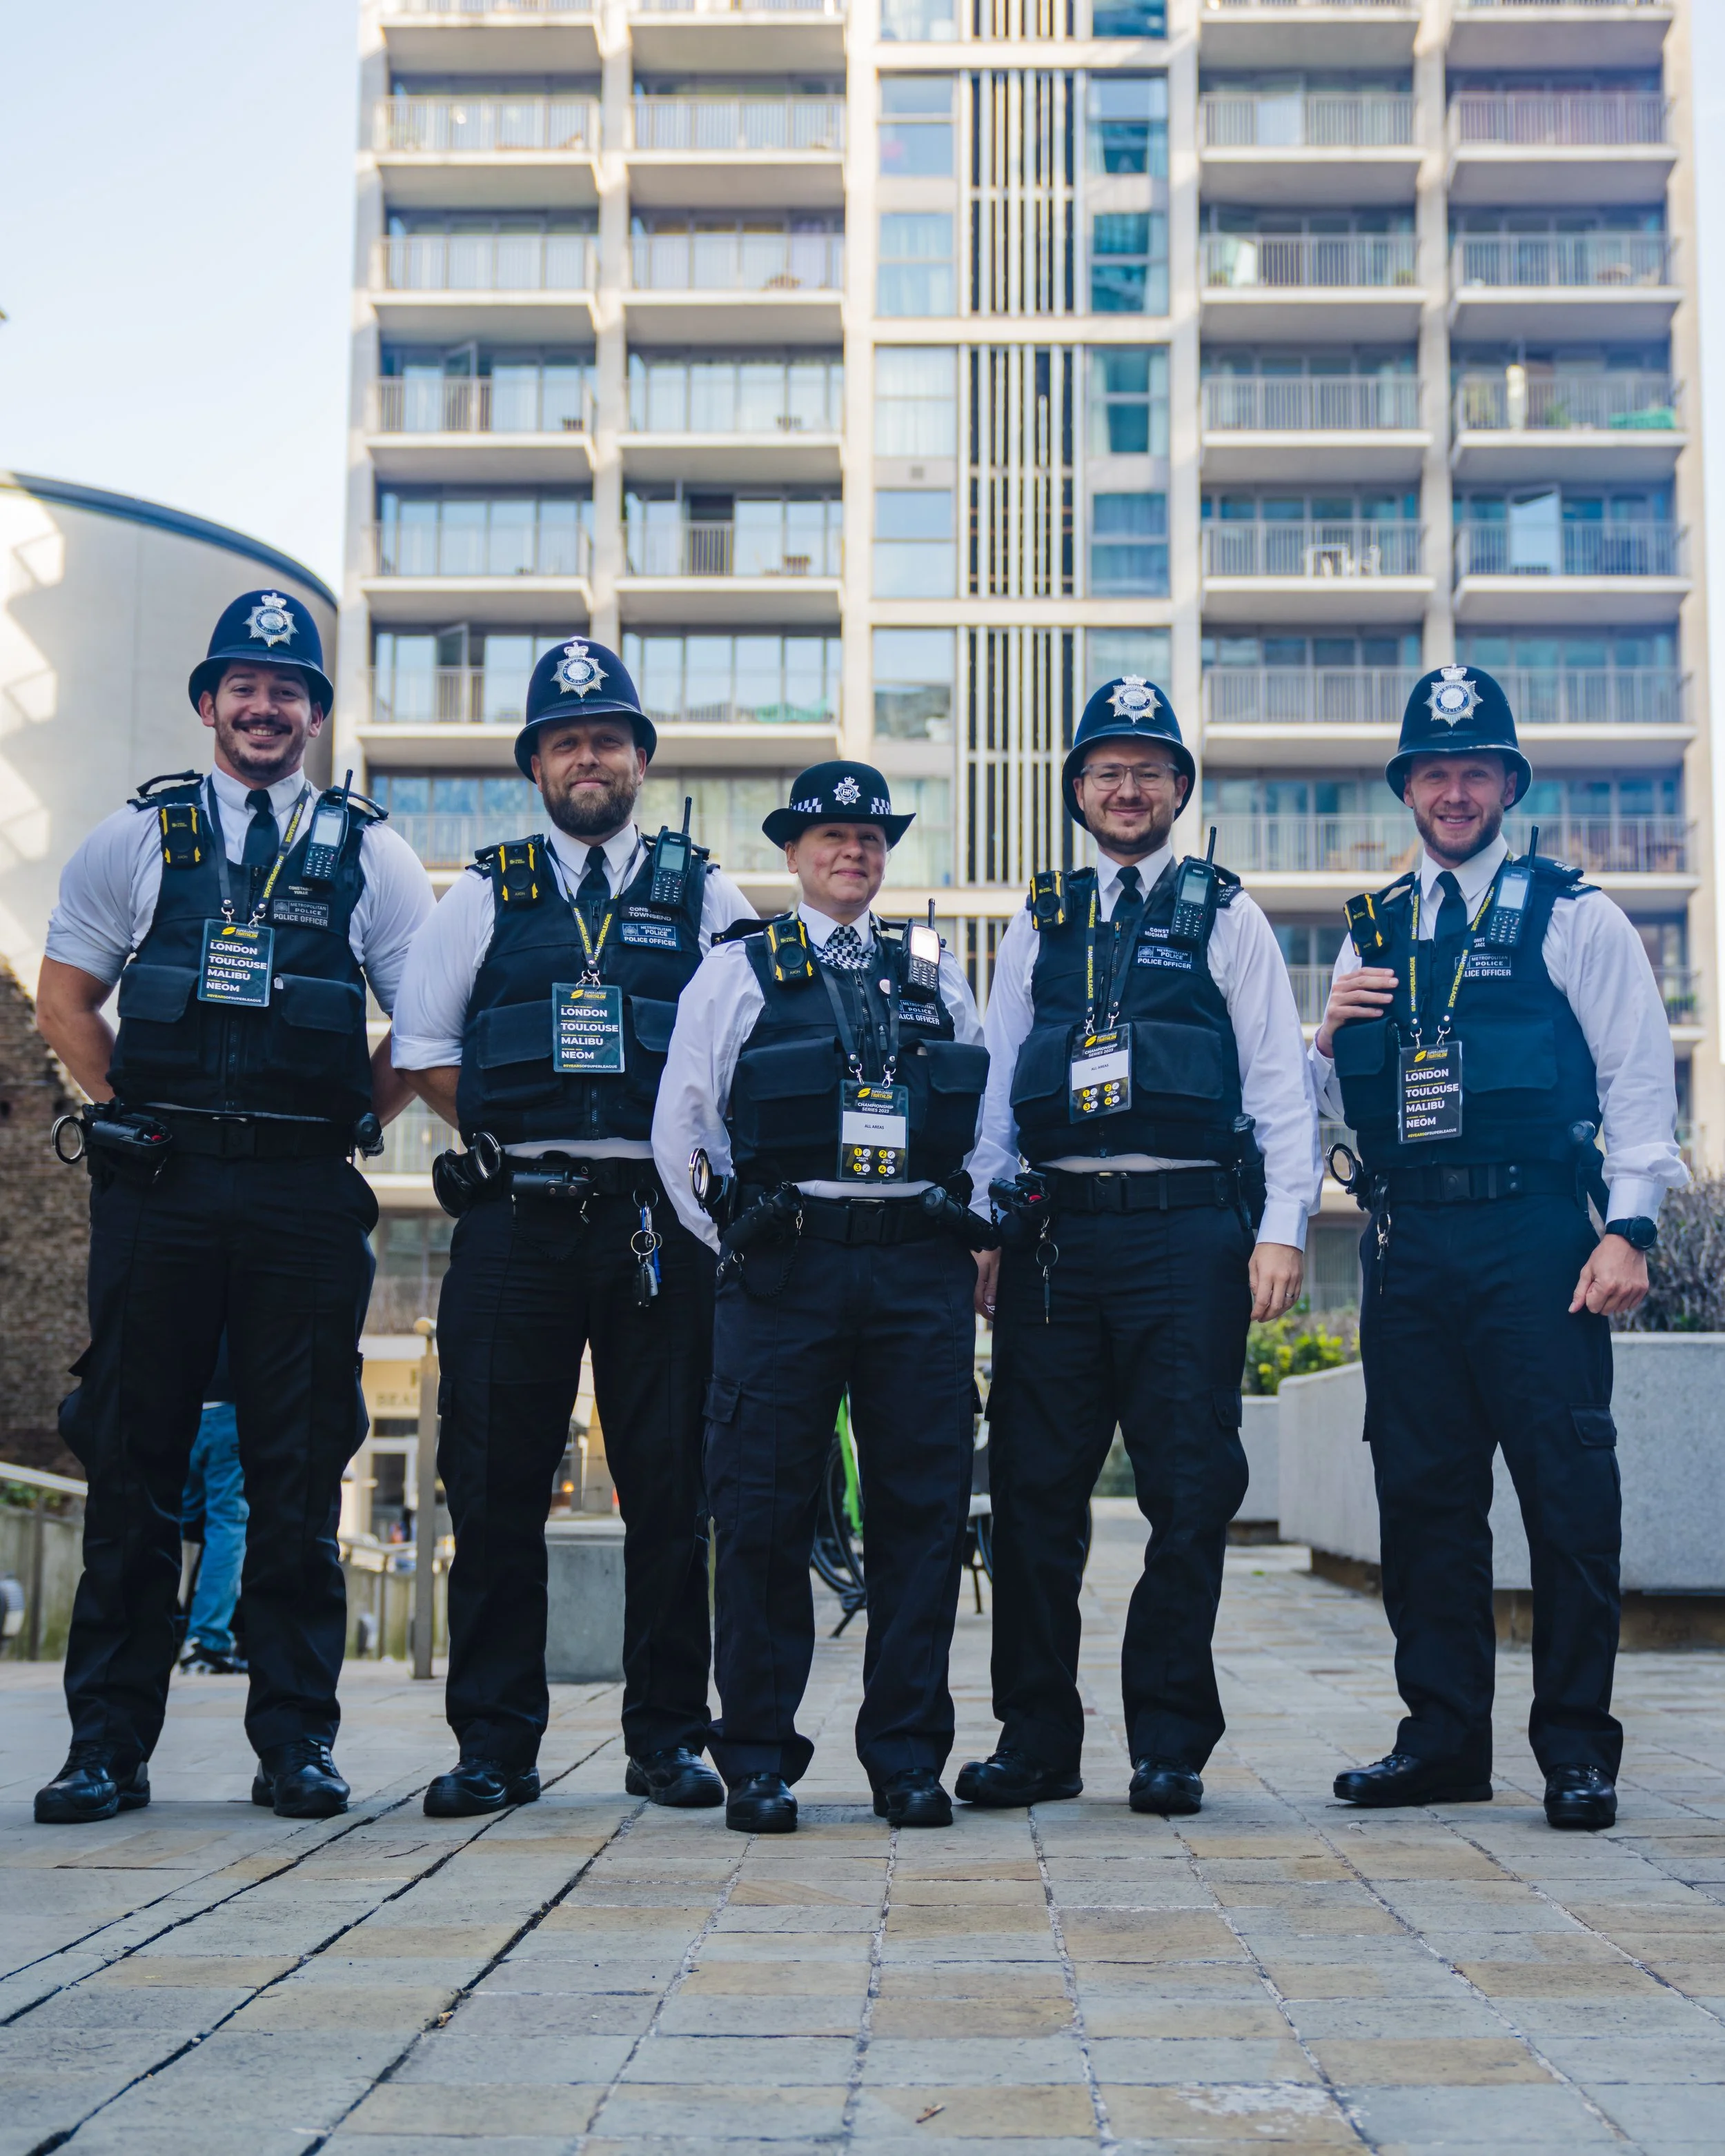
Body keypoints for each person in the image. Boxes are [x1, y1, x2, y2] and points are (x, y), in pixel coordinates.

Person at [33, 589, 433, 1825]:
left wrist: (342, 1119)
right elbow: (65, 1000)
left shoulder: (372, 853)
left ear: (315, 714)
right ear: (209, 704)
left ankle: (297, 1745)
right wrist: (127, 1111)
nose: (266, 708)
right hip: (160, 1188)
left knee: (297, 1470)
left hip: (304, 1198)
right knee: (133, 1459)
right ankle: (105, 1746)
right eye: (245, 687)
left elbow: (420, 1030)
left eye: (289, 690)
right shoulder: (133, 839)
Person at [1313, 664, 1686, 1832]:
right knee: (1420, 1498)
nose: (1456, 792)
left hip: (1539, 1239)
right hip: (1409, 1240)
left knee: (1568, 1494)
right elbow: (1325, 1112)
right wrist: (1325, 1039)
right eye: (1437, 772)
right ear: (1408, 788)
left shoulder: (1578, 916)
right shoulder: (1371, 929)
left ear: (1509, 783)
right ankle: (1443, 1740)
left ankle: (1577, 1749)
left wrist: (1628, 1229)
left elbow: (1639, 1083)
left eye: (1477, 772)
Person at [392, 637, 755, 1818]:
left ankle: (668, 1739)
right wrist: (507, 1130)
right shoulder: (486, 890)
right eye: (565, 740)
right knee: (493, 1488)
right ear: (535, 764)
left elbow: (761, 1042)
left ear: (641, 758)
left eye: (607, 738)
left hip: (663, 1232)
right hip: (518, 1223)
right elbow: (423, 1046)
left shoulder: (705, 892)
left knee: (669, 1488)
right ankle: (495, 1742)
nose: (587, 757)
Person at [963, 676, 1320, 1819]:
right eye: (1108, 771)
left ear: (1180, 790)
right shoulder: (1041, 918)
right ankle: (1036, 1740)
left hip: (1188, 1238)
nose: (1129, 789)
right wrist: (985, 1224)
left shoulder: (1229, 913)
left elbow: (1278, 1084)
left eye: (1150, 771)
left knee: (1188, 1490)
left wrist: (1281, 1232)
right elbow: (994, 1091)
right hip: (1056, 1240)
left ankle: (1170, 1742)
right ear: (1078, 791)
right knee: (1032, 1496)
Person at [653, 762, 991, 1833]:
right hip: (785, 1264)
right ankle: (755, 1755)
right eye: (831, 837)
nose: (854, 851)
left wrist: (963, 1222)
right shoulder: (740, 970)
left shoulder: (934, 972)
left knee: (922, 1514)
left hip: (914, 1266)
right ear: (793, 856)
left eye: (871, 837)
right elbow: (685, 1125)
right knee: (757, 1513)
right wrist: (739, 1242)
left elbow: (982, 1131)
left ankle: (906, 1759)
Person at [179, 1334, 248, 1677]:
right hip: (230, 1411)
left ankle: (166, 1626)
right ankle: (208, 1641)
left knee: (177, 1520)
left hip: (184, 1408)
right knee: (228, 1525)